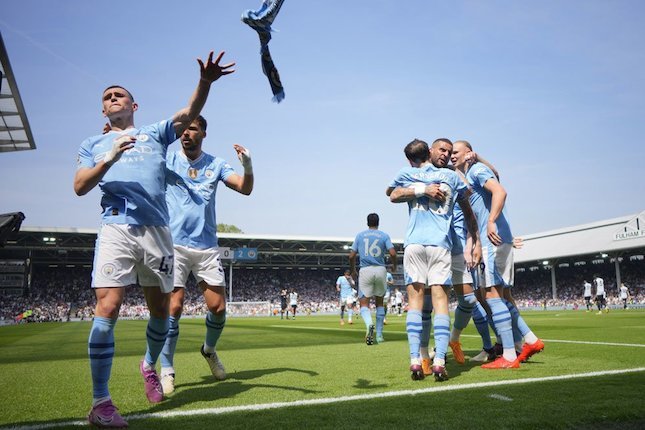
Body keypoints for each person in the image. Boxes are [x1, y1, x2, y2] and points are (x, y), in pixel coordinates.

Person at [74, 51, 234, 426]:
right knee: (108, 306)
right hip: (116, 226)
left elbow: (185, 113)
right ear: (103, 112)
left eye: (119, 95)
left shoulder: (153, 133)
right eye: (106, 98)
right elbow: (80, 186)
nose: (112, 99)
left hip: (158, 231)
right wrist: (108, 159)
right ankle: (101, 402)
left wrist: (206, 83)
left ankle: (149, 364)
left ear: (133, 105)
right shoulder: (92, 144)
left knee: (161, 310)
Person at [158, 114, 253, 395]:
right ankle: (167, 370)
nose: (186, 134)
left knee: (218, 308)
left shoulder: (216, 164)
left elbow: (245, 189)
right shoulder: (167, 160)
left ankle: (209, 351)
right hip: (172, 244)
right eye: (183, 130)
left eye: (193, 129)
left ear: (203, 134)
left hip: (207, 247)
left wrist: (247, 164)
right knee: (173, 308)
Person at [388, 138, 480, 382]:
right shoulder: (450, 178)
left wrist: (419, 189)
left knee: (418, 302)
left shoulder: (409, 173)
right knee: (437, 302)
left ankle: (422, 360)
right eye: (443, 150)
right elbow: (467, 204)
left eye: (450, 152)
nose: (447, 155)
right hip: (433, 245)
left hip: (424, 244)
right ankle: (433, 360)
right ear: (430, 151)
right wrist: (426, 189)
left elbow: (392, 194)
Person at [451, 140, 544, 368]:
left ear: (467, 153)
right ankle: (529, 341)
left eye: (455, 152)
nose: (452, 156)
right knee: (500, 296)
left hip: (492, 239)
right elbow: (497, 175)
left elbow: (500, 191)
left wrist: (490, 222)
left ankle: (510, 355)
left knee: (491, 296)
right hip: (496, 240)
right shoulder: (474, 172)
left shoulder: (476, 171)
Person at [349, 213, 398, 345]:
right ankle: (380, 336)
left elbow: (351, 255)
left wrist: (353, 269)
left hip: (365, 270)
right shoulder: (384, 235)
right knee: (380, 303)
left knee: (364, 304)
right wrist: (394, 265)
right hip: (381, 269)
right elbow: (393, 253)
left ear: (367, 222)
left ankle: (369, 324)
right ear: (378, 222)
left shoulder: (360, 236)